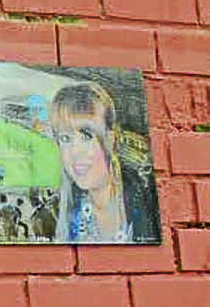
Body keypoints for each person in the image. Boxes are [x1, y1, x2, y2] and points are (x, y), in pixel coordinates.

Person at [50, 82, 160, 244]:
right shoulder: (67, 209)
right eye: (65, 139)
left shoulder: (146, 198)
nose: (75, 152)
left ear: (110, 139)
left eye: (87, 136)